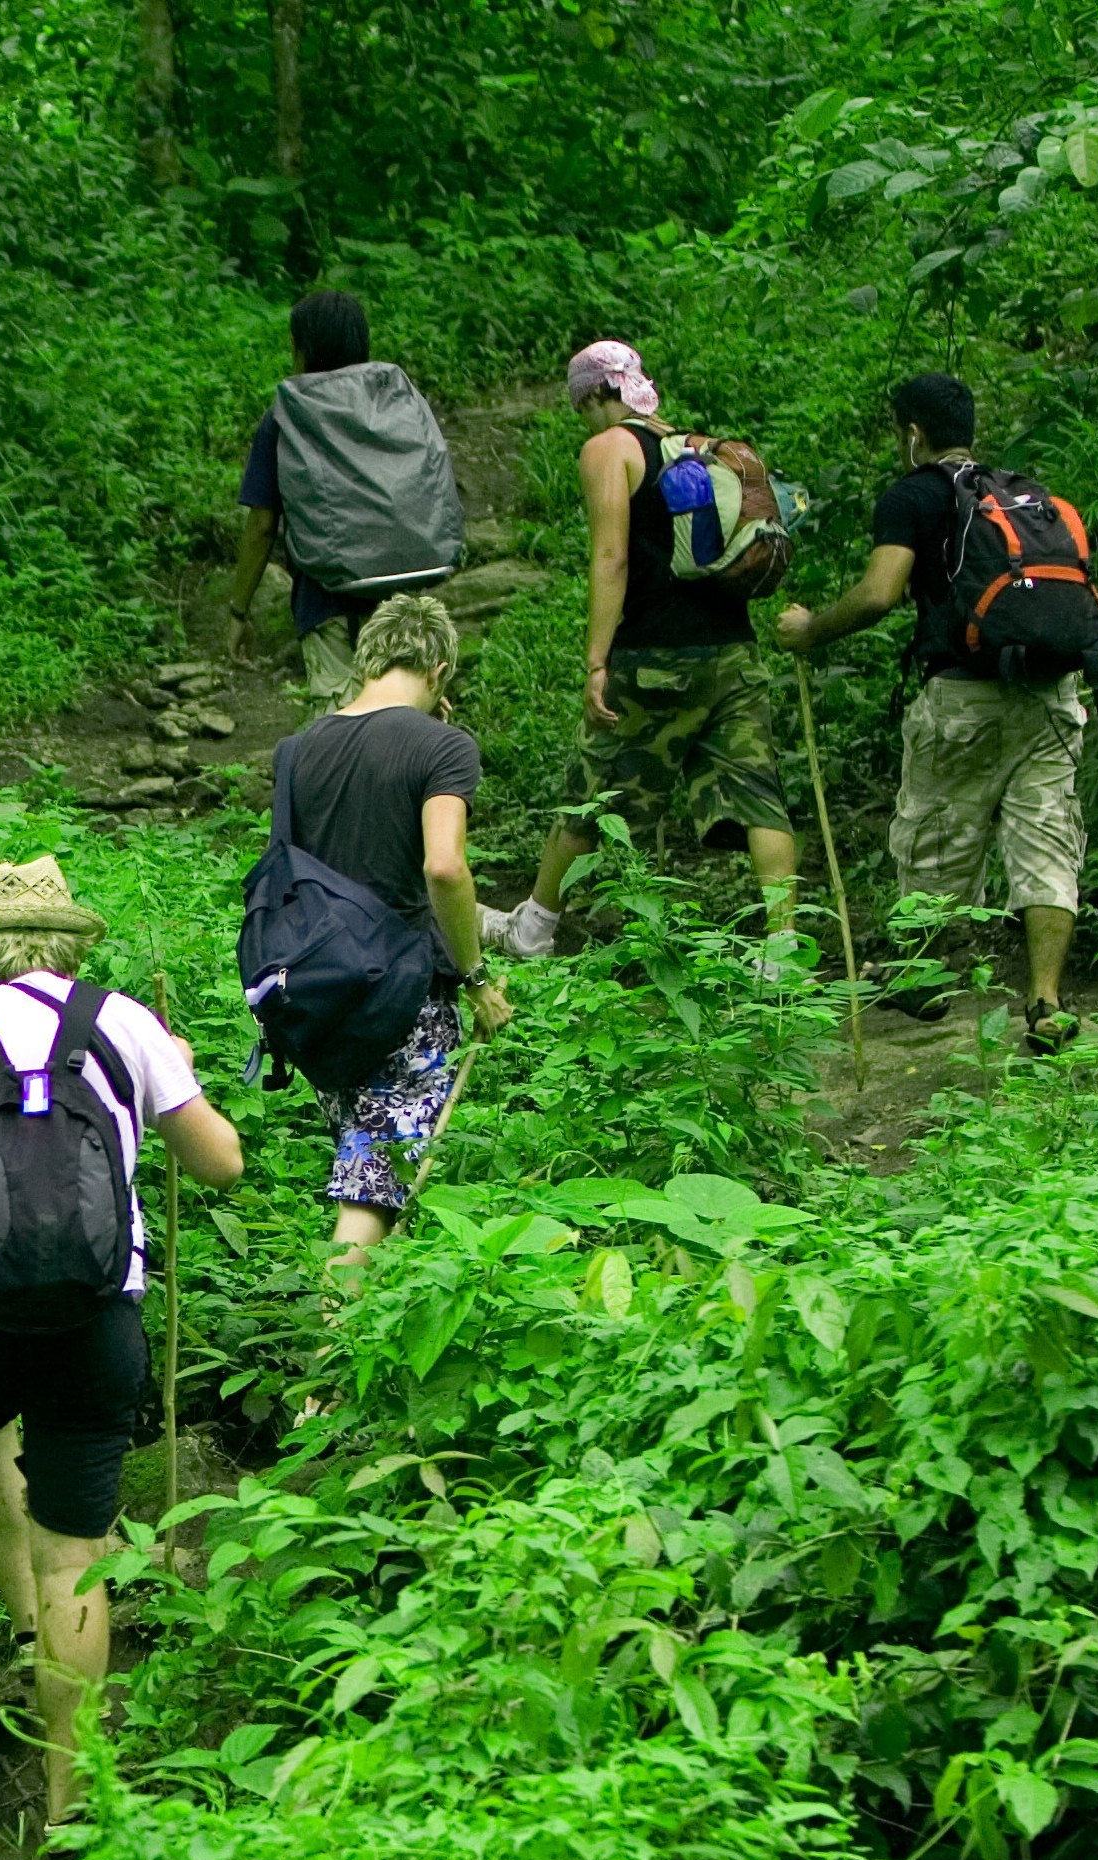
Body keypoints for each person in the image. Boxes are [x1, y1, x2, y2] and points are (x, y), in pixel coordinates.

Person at [0, 858, 244, 1838]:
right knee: (80, 1548)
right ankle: (72, 1794)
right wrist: (175, 1070)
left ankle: (23, 1620)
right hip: (93, 1309)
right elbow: (222, 1163)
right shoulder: (125, 1023)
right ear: (74, 938)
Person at [776, 370, 1090, 1051]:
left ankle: (925, 980)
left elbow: (879, 592)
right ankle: (1045, 1002)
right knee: (1046, 839)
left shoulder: (913, 495)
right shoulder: (1019, 493)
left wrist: (811, 630)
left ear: (912, 432)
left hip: (963, 696)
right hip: (1050, 693)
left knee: (936, 832)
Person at [501, 340, 798, 958]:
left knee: (593, 787)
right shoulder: (698, 447)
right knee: (758, 794)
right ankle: (783, 950)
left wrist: (597, 660)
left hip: (654, 658)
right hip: (733, 654)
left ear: (594, 396)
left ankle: (534, 930)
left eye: (583, 406)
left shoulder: (609, 448)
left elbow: (611, 556)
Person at [273, 594, 518, 1269]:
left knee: (363, 1156)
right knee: (374, 1183)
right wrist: (475, 977)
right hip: (401, 991)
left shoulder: (297, 751)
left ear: (367, 659)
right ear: (440, 671)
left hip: (315, 995)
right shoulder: (440, 746)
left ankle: (360, 1333)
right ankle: (333, 1346)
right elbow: (444, 865)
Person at [227, 289, 461, 705]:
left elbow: (262, 526)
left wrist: (239, 612)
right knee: (403, 722)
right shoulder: (400, 400)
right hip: (404, 597)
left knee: (340, 730)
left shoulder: (287, 415)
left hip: (325, 603)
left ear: (302, 349)